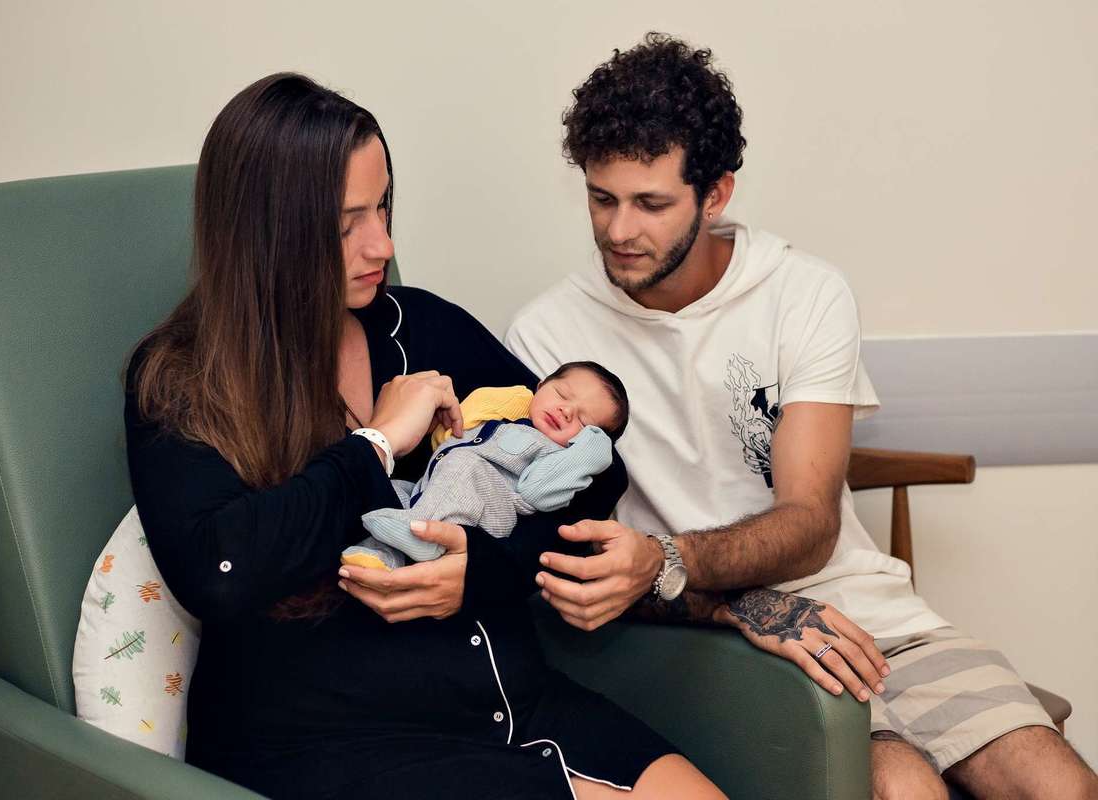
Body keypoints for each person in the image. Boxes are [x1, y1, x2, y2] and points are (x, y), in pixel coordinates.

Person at [505, 34, 1098, 799]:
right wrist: (709, 593)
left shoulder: (802, 293)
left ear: (715, 192)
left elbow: (811, 522)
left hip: (869, 607)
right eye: (602, 197)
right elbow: (565, 566)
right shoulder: (544, 338)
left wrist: (671, 557)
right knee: (904, 789)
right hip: (712, 635)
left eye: (651, 203)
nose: (619, 231)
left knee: (1063, 787)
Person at [124, 72, 725, 799]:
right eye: (347, 223)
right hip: (330, 742)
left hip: (506, 698)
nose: (383, 243)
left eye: (382, 207)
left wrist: (481, 568)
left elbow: (592, 471)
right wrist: (375, 444)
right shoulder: (180, 378)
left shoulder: (423, 328)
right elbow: (219, 572)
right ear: (266, 229)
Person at [344, 362, 628, 570]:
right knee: (396, 491)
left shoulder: (555, 456)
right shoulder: (504, 420)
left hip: (489, 511)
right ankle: (377, 559)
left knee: (467, 464)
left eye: (583, 421)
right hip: (431, 490)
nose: (566, 411)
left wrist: (592, 451)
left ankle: (424, 536)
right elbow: (454, 431)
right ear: (540, 386)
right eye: (562, 395)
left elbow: (537, 493)